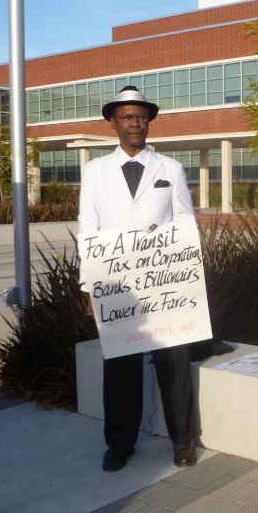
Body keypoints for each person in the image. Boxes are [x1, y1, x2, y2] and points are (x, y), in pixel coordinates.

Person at [79, 86, 198, 471]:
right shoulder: (95, 171)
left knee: (174, 365)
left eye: (141, 116)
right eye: (127, 116)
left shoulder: (171, 169)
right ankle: (119, 443)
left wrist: (162, 236)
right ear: (112, 122)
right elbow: (88, 228)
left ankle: (183, 440)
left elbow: (185, 221)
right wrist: (88, 285)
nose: (136, 123)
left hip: (163, 280)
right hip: (117, 285)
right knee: (121, 367)